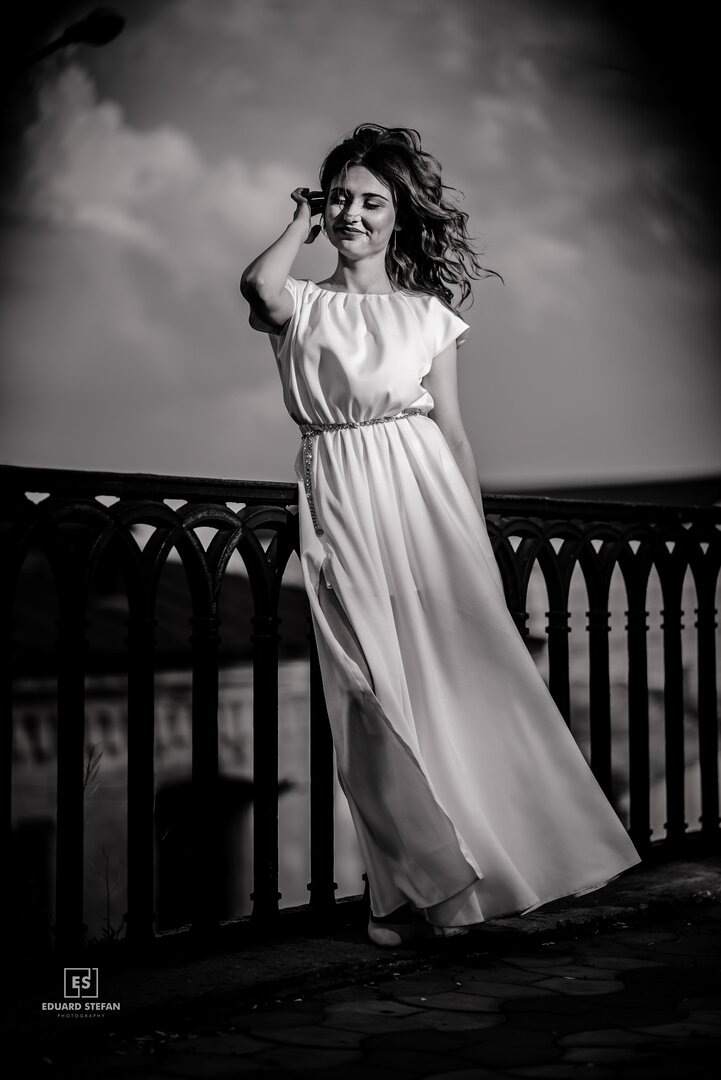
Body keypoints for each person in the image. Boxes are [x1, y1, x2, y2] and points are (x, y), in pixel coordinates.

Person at [240, 123, 642, 948]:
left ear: (397, 217)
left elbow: (452, 433)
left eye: (371, 202)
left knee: (452, 688)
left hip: (427, 500)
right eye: (341, 197)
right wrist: (297, 223)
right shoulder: (302, 304)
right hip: (341, 493)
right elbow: (257, 283)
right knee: (368, 692)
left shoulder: (428, 315)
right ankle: (411, 890)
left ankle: (468, 880)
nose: (353, 212)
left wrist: (474, 540)